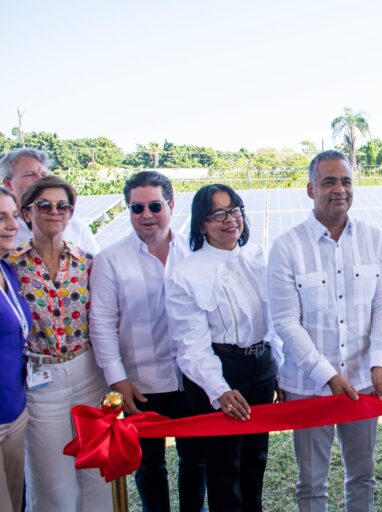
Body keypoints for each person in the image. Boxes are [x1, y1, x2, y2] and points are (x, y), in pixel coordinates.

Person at [268, 150, 382, 512]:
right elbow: (286, 322)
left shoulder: (375, 240)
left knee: (363, 475)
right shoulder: (286, 247)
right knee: (311, 483)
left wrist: (380, 364)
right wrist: (327, 376)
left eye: (346, 181)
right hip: (308, 387)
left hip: (363, 381)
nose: (339, 189)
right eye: (329, 181)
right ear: (311, 189)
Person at [89, 171, 205, 511]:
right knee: (149, 465)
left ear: (170, 205)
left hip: (193, 380)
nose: (146, 215)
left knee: (195, 463)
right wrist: (118, 380)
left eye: (154, 205)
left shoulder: (196, 251)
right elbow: (101, 325)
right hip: (142, 386)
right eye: (136, 208)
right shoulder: (110, 260)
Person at [166, 184, 280, 512]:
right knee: (223, 465)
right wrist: (220, 390)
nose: (229, 219)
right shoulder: (186, 274)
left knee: (256, 458)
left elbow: (274, 322)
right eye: (218, 213)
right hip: (220, 371)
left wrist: (278, 371)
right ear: (202, 224)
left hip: (261, 367)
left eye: (234, 210)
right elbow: (190, 345)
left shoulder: (256, 256)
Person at [7, 176, 111, 511]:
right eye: (45, 205)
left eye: (63, 206)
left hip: (88, 373)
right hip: (41, 381)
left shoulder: (88, 263)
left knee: (98, 473)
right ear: (27, 213)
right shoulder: (11, 267)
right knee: (51, 481)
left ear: (71, 213)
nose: (55, 211)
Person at [1, 148, 99, 254]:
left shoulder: (74, 224)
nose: (40, 180)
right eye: (30, 174)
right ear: (8, 184)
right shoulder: (5, 228)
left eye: (43, 174)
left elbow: (95, 263)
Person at [0, 187, 32, 512]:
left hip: (14, 413)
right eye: (0, 217)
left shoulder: (8, 270)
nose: (11, 225)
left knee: (16, 502)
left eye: (13, 216)